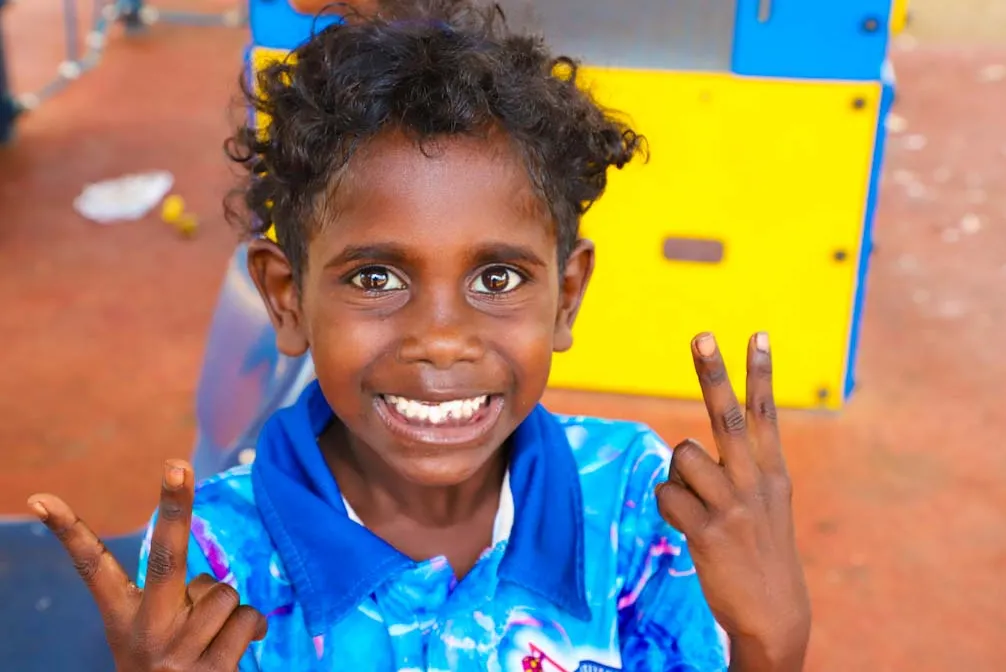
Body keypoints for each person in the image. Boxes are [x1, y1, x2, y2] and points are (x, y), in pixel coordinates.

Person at [26, 2, 811, 670]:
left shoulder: (634, 505)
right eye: (376, 278)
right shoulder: (220, 561)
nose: (441, 339)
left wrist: (768, 646)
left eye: (496, 279)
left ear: (566, 296)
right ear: (287, 298)